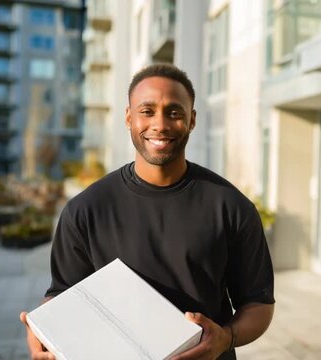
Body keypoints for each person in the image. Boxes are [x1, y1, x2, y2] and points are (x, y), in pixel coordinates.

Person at [19, 63, 275, 360]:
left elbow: (259, 304)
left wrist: (226, 338)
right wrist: (44, 331)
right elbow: (62, 294)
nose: (160, 124)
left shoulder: (231, 207)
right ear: (129, 118)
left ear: (192, 120)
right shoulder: (85, 210)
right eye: (147, 111)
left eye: (174, 112)